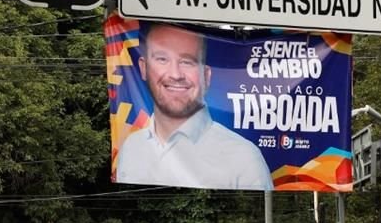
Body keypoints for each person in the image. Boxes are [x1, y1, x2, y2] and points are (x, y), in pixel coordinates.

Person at [115, 23, 273, 191]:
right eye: (162, 59)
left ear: (206, 75)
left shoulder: (245, 159)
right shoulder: (131, 147)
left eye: (187, 61)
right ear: (143, 67)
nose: (175, 74)